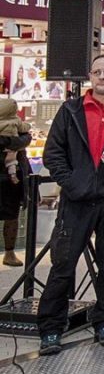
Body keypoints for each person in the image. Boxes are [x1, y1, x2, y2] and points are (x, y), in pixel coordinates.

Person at [37, 55, 104, 355]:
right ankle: (50, 329)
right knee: (63, 266)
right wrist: (72, 183)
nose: (102, 77)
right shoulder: (70, 111)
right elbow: (52, 154)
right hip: (76, 201)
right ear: (89, 76)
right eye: (97, 72)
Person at [0, 97, 32, 267]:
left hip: (13, 178)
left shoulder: (15, 123)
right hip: (8, 175)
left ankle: (10, 252)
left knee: (12, 215)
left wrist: (12, 143)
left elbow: (27, 137)